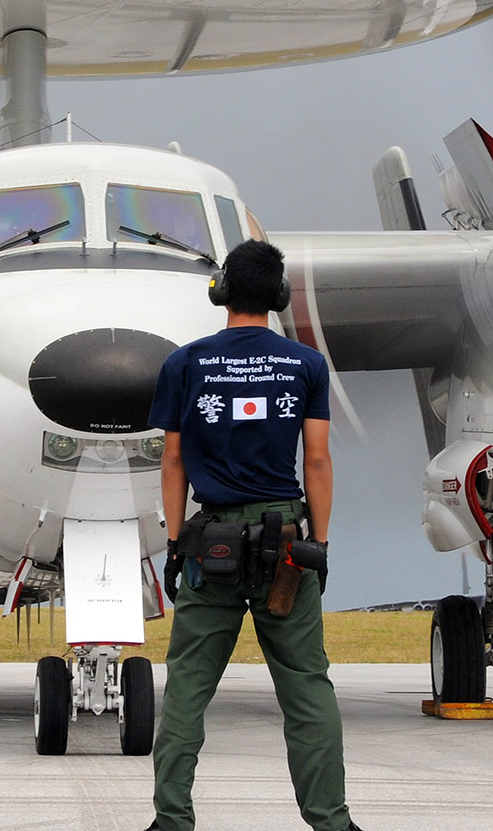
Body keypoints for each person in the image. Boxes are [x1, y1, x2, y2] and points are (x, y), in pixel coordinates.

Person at [144, 239, 359, 831]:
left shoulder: (184, 364)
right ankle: (331, 821)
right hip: (285, 542)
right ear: (279, 296)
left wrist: (170, 543)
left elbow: (173, 462)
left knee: (188, 685)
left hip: (209, 543)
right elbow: (316, 460)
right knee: (306, 688)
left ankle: (171, 820)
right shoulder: (305, 365)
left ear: (222, 291)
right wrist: (319, 540)